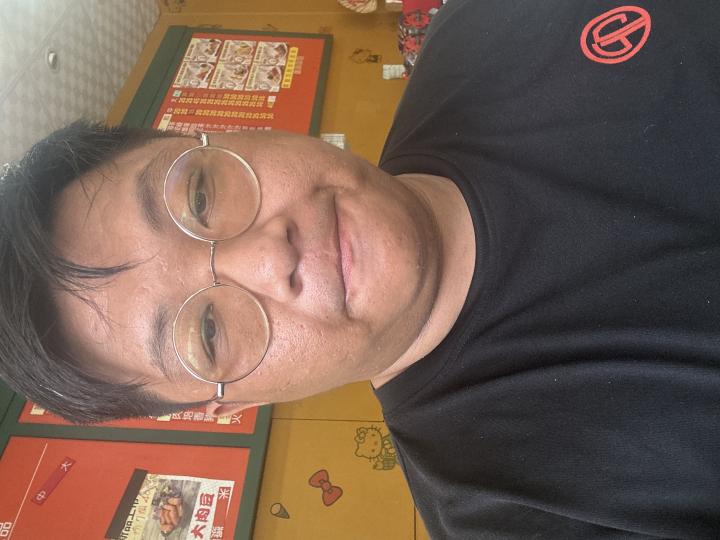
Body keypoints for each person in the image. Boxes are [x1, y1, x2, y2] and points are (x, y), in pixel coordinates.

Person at [1, 0, 718, 537]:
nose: (269, 255)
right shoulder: (527, 512)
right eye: (209, 332)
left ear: (218, 131)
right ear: (228, 406)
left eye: (199, 195)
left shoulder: (481, 24)